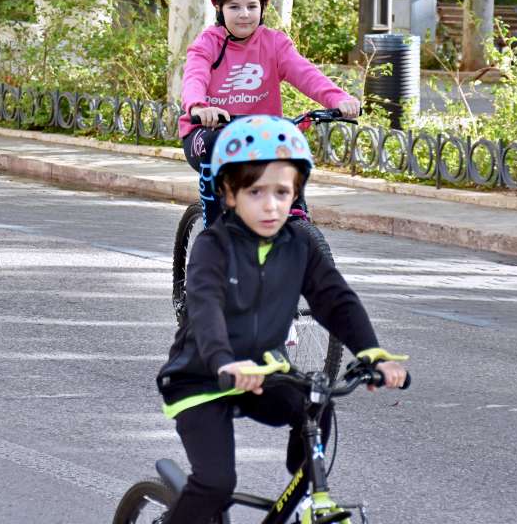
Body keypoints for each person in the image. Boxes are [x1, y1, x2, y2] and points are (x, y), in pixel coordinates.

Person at [156, 115, 407, 523]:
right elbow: (205, 309)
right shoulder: (212, 247)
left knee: (317, 403)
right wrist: (223, 361)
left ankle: (298, 488)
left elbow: (336, 301)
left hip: (263, 372)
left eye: (282, 191)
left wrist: (373, 354)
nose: (271, 204)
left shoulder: (298, 244)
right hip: (202, 377)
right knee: (215, 484)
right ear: (229, 193)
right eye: (255, 191)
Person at [180, 0, 361, 226]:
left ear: (263, 8)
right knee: (214, 144)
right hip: (208, 130)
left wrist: (339, 99)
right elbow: (194, 77)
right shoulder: (208, 43)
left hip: (260, 132)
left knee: (289, 151)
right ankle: (214, 232)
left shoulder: (274, 44)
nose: (244, 14)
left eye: (252, 6)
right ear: (219, 9)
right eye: (234, 7)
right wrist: (198, 107)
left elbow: (306, 74)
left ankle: (296, 222)